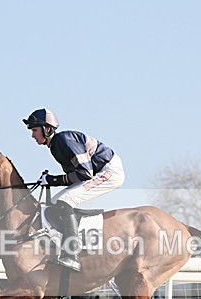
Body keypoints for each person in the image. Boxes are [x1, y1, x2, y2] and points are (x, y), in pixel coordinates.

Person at [23, 108, 125, 271]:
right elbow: (74, 176)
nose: (32, 135)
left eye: (35, 130)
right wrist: (52, 181)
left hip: (109, 172)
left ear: (47, 129)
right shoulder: (55, 146)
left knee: (64, 200)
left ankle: (72, 255)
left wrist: (53, 180)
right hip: (98, 172)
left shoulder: (63, 140)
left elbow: (85, 173)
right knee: (56, 202)